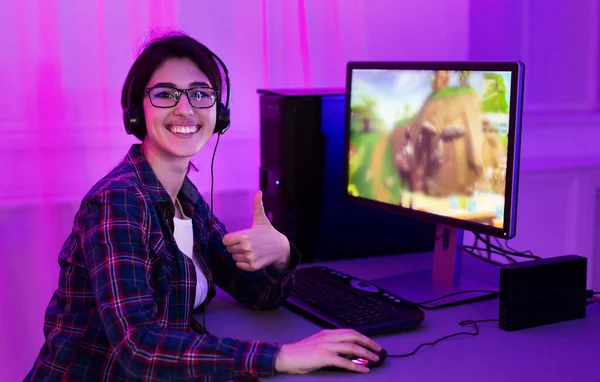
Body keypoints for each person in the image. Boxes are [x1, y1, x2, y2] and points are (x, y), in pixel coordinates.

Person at [25, 31, 382, 381]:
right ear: (136, 112)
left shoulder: (185, 198)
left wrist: (282, 253)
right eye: (165, 94)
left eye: (200, 94)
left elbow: (256, 293)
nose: (185, 109)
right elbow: (140, 350)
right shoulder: (117, 203)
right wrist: (283, 356)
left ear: (219, 114)